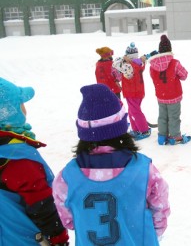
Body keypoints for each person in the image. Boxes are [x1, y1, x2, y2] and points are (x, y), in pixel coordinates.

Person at [52, 83, 170, 246]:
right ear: (121, 127)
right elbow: (160, 208)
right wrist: (154, 232)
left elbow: (69, 221)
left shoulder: (67, 176)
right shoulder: (143, 169)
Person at [0, 77, 69, 245]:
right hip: (23, 238)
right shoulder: (18, 158)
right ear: (9, 112)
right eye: (20, 104)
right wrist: (59, 238)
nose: (24, 108)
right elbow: (42, 204)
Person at [148, 34, 191, 145]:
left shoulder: (152, 65)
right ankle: (175, 137)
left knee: (162, 116)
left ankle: (162, 137)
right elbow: (184, 75)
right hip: (174, 96)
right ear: (170, 49)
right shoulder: (175, 63)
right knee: (174, 117)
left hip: (161, 96)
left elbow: (153, 77)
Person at [113, 42, 151, 140]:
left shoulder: (127, 66)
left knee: (135, 111)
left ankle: (144, 130)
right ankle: (136, 129)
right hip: (138, 91)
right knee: (132, 111)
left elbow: (115, 63)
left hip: (132, 92)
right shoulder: (139, 63)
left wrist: (123, 58)